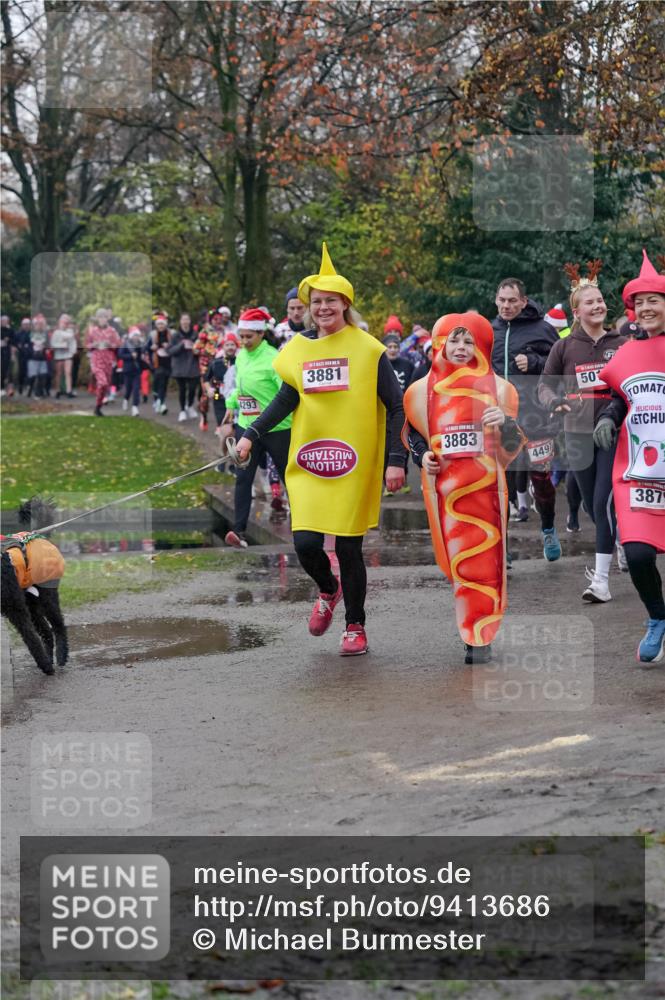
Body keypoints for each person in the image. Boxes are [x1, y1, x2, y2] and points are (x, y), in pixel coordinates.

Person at [235, 244, 406, 656]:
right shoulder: (297, 349)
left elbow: (396, 406)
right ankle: (328, 589)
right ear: (308, 308)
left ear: (345, 304)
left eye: (331, 301)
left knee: (348, 547)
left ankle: (355, 625)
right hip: (310, 459)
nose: (323, 308)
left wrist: (396, 462)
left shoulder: (369, 349)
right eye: (317, 302)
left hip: (355, 462)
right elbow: (285, 399)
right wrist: (250, 434)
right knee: (306, 544)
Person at [405, 314, 524, 664]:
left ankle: (478, 636)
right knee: (459, 563)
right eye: (454, 341)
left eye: (468, 341)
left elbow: (513, 447)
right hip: (445, 493)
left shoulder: (502, 390)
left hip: (487, 492)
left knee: (485, 563)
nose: (461, 348)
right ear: (440, 344)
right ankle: (472, 626)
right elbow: (414, 436)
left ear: (481, 347)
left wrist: (505, 423)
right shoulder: (419, 392)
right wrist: (422, 457)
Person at [538, 262, 626, 602]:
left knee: (603, 500)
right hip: (575, 433)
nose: (598, 306)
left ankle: (601, 580)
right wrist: (554, 402)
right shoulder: (564, 347)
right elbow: (544, 387)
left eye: (601, 300)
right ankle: (616, 538)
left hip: (612, 433)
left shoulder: (621, 342)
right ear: (577, 311)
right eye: (590, 303)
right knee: (591, 504)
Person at [594, 250, 665, 663]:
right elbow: (620, 398)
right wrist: (607, 417)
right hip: (640, 472)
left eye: (653, 301)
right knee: (637, 553)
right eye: (639, 303)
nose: (645, 309)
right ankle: (658, 616)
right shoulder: (626, 354)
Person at [491, 278, 561, 560]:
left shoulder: (542, 329)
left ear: (523, 301)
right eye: (502, 300)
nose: (506, 306)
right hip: (500, 421)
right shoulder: (489, 330)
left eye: (512, 301)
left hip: (537, 419)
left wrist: (534, 363)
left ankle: (547, 527)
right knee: (501, 485)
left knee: (541, 480)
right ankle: (502, 545)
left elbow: (560, 368)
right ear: (496, 300)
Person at [220, 308, 291, 548]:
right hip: (246, 427)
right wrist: (230, 404)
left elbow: (286, 395)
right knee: (243, 477)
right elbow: (240, 386)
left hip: (277, 428)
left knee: (288, 477)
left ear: (261, 334)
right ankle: (238, 532)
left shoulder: (273, 358)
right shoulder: (241, 356)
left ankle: (306, 527)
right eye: (241, 336)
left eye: (249, 336)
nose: (244, 341)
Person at [85, 308, 122, 416]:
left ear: (107, 318)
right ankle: (98, 405)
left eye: (104, 317)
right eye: (100, 317)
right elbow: (87, 345)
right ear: (97, 319)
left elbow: (118, 344)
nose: (102, 319)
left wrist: (109, 345)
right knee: (102, 382)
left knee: (106, 385)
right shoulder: (93, 331)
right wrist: (94, 345)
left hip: (108, 360)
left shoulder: (112, 331)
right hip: (96, 359)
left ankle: (98, 406)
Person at [169, 312, 200, 422]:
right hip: (179, 367)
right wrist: (181, 345)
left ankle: (190, 405)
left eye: (187, 319)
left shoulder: (195, 334)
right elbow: (170, 351)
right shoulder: (175, 336)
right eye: (183, 319)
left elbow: (200, 349)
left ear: (190, 321)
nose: (185, 322)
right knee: (182, 389)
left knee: (192, 388)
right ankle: (182, 410)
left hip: (193, 366)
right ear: (180, 321)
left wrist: (196, 349)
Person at [118, 327, 152, 415]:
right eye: (134, 335)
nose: (136, 337)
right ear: (131, 336)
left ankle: (135, 407)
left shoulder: (140, 345)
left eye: (137, 335)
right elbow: (120, 355)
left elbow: (144, 352)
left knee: (136, 389)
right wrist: (130, 356)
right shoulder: (126, 344)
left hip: (137, 370)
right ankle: (126, 399)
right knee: (128, 388)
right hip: (127, 370)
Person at [50, 314, 78, 398]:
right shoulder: (56, 332)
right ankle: (58, 390)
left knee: (68, 372)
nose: (65, 324)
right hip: (59, 355)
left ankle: (69, 391)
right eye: (63, 322)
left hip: (68, 354)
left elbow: (73, 342)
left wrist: (73, 351)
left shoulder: (70, 332)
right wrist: (61, 345)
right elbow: (53, 344)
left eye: (66, 322)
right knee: (58, 373)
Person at [151, 313, 171, 415]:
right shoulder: (153, 335)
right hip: (156, 363)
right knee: (157, 382)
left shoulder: (170, 334)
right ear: (156, 325)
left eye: (162, 324)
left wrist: (169, 346)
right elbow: (146, 347)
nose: (161, 326)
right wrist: (152, 347)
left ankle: (161, 402)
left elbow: (174, 346)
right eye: (159, 324)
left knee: (164, 383)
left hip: (168, 362)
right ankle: (158, 400)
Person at [1, 315, 15, 396]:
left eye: (5, 321)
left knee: (9, 371)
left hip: (8, 353)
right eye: (2, 321)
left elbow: (14, 341)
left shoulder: (11, 330)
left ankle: (10, 390)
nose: (4, 322)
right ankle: (2, 388)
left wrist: (9, 340)